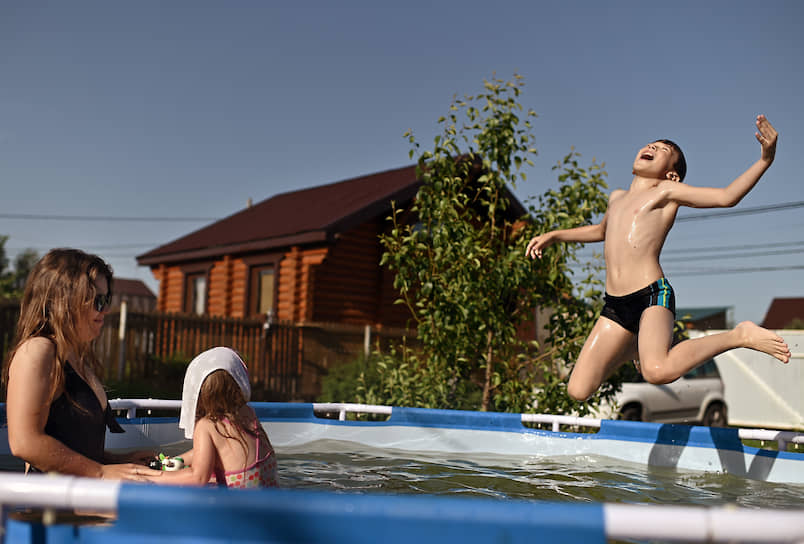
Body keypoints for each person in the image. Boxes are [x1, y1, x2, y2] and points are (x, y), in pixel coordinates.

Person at [525, 115, 791, 401]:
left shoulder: (666, 192)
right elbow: (600, 230)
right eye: (651, 144)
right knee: (578, 390)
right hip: (615, 305)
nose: (652, 146)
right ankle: (634, 346)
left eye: (664, 150)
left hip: (651, 295)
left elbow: (726, 196)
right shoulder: (616, 198)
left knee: (656, 371)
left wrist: (765, 160)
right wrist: (555, 235)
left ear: (672, 174)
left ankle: (739, 335)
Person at [3, 248, 161, 480]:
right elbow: (24, 442)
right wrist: (100, 472)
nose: (105, 309)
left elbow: (75, 446)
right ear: (63, 301)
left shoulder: (75, 357)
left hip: (81, 498)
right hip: (51, 509)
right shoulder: (37, 351)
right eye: (97, 300)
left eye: (106, 299)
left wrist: (117, 461)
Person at [147, 346, 278, 488]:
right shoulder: (247, 413)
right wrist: (177, 460)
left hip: (238, 506)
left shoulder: (207, 426)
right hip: (268, 502)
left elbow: (197, 478)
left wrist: (151, 476)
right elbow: (207, 453)